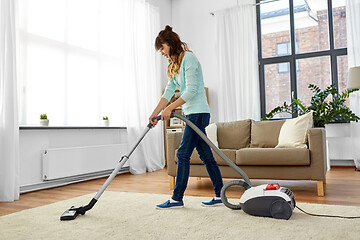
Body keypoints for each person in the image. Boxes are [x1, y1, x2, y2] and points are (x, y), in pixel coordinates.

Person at [149, 25, 224, 209]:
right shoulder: (174, 65)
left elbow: (190, 90)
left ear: (170, 43)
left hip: (198, 113)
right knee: (206, 156)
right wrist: (154, 113)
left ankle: (177, 198)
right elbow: (167, 93)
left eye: (162, 48)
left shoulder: (189, 58)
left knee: (182, 154)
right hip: (191, 113)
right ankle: (220, 194)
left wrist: (170, 109)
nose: (162, 53)